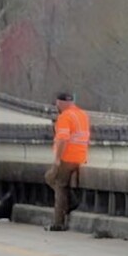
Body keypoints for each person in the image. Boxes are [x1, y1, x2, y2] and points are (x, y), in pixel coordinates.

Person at [45, 91, 90, 231]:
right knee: (53, 180)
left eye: (57, 103)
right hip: (81, 156)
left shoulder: (64, 117)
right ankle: (70, 202)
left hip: (67, 157)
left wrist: (58, 159)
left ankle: (59, 221)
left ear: (61, 103)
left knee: (58, 184)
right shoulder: (82, 114)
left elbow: (63, 139)